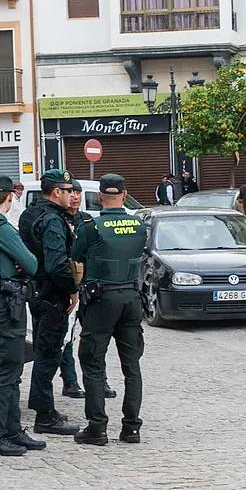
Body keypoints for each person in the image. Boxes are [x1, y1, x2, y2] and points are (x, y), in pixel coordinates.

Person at [70, 173, 148, 446]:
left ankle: (97, 427)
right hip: (131, 297)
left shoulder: (91, 226)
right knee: (131, 365)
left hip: (101, 299)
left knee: (92, 362)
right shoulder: (139, 225)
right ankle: (131, 428)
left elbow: (76, 257)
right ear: (125, 195)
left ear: (101, 196)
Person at [0, 176, 42, 458]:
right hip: (6, 299)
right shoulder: (0, 226)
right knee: (8, 371)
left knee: (11, 369)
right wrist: (20, 261)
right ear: (10, 197)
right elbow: (31, 263)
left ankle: (13, 430)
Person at [18, 169, 81, 436]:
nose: (73, 196)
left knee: (44, 352)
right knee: (49, 355)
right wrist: (73, 289)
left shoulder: (29, 213)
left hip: (35, 290)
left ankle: (43, 407)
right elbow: (57, 264)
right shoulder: (54, 221)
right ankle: (45, 415)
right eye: (69, 191)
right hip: (52, 293)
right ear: (57, 192)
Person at [60, 181, 117, 402]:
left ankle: (99, 381)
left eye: (78, 192)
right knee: (68, 337)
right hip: (68, 285)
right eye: (71, 192)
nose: (75, 197)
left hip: (90, 286)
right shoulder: (59, 220)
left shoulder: (87, 221)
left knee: (95, 338)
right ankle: (70, 381)